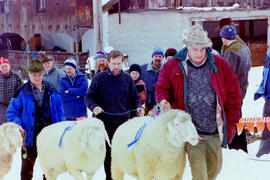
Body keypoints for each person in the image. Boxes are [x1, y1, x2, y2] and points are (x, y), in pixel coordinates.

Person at [155, 24, 242, 180]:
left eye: (203, 49)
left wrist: (232, 121)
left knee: (214, 169)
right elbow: (162, 87)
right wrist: (164, 100)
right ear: (187, 46)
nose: (199, 53)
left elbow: (234, 94)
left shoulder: (220, 65)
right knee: (200, 174)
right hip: (191, 130)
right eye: (195, 49)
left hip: (214, 129)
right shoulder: (173, 65)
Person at [85, 50, 144, 180]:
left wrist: (138, 107)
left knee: (122, 155)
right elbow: (89, 97)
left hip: (122, 124)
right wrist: (94, 107)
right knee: (109, 157)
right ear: (108, 62)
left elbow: (134, 98)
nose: (116, 66)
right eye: (113, 63)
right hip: (104, 124)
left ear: (122, 63)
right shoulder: (99, 79)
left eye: (119, 63)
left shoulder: (127, 79)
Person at [6, 58, 65, 180]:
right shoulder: (21, 92)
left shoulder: (52, 90)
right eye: (34, 74)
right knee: (26, 171)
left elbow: (60, 111)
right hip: (29, 137)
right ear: (28, 74)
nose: (37, 77)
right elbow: (12, 112)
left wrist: (62, 128)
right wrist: (18, 125)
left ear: (43, 73)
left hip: (49, 137)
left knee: (50, 170)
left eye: (39, 74)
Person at [220, 25, 252, 100]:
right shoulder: (243, 47)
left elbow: (227, 74)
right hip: (243, 87)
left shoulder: (231, 52)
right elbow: (249, 65)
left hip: (233, 90)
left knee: (232, 110)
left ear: (224, 38)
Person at [254, 49, 270, 157]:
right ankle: (265, 151)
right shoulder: (269, 55)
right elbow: (265, 74)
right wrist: (263, 90)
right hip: (268, 97)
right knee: (267, 124)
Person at [141, 47, 164, 114]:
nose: (158, 58)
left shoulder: (165, 69)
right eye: (156, 56)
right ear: (152, 57)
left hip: (160, 104)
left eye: (160, 56)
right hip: (146, 103)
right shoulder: (143, 69)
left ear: (162, 58)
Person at [0, 57, 23, 124]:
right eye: (2, 66)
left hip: (13, 104)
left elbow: (21, 91)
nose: (4, 68)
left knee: (12, 124)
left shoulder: (16, 76)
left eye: (6, 66)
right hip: (1, 105)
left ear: (9, 66)